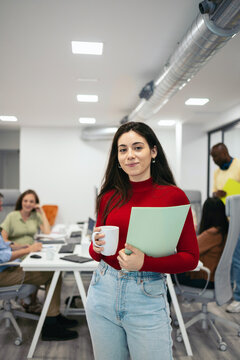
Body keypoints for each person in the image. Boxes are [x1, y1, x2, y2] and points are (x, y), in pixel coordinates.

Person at [86, 121, 199, 360]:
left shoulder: (173, 196)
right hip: (103, 291)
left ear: (153, 151)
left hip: (146, 294)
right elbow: (97, 253)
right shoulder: (108, 196)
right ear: (117, 156)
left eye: (138, 147)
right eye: (123, 149)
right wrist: (95, 246)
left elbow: (190, 258)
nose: (130, 156)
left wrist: (145, 263)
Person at [0, 233, 78, 341]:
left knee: (54, 271)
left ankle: (55, 316)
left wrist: (22, 246)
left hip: (8, 268)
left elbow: (3, 245)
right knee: (51, 274)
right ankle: (51, 325)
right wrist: (28, 250)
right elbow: (1, 257)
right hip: (3, 273)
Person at [210, 143, 240, 312]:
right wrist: (217, 194)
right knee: (226, 256)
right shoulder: (217, 172)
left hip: (239, 219)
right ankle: (226, 292)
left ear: (225, 153)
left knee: (236, 258)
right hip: (226, 218)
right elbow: (214, 191)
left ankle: (238, 298)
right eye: (212, 158)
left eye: (216, 157)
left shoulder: (238, 166)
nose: (214, 161)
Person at [175, 197, 228, 289]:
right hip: (216, 279)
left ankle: (167, 303)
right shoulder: (225, 231)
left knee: (165, 274)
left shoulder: (213, 233)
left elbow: (188, 249)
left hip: (205, 279)